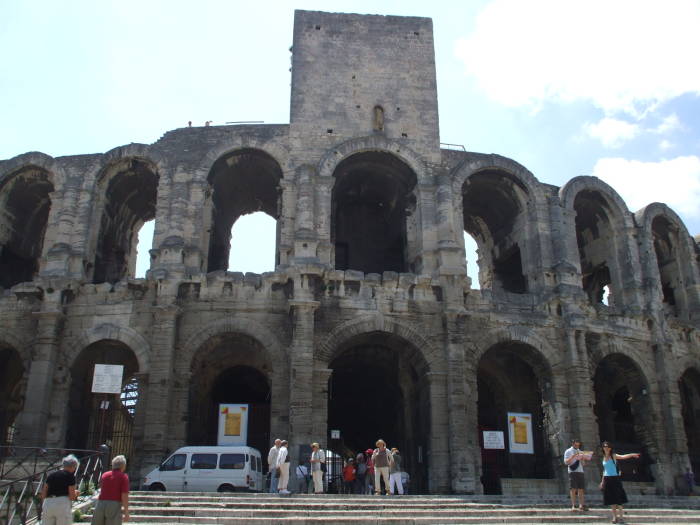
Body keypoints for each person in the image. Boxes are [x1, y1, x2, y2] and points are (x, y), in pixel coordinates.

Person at [599, 441, 640, 524]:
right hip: (607, 479)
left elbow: (623, 457)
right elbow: (605, 470)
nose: (606, 448)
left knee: (618, 499)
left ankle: (621, 517)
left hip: (615, 478)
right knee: (611, 500)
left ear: (610, 448)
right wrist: (602, 481)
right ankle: (615, 517)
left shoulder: (613, 456)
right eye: (604, 446)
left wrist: (632, 455)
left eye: (607, 446)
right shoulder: (603, 457)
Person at [41, 454, 79, 525]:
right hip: (62, 503)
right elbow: (72, 497)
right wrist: (76, 493)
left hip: (48, 503)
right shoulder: (70, 476)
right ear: (73, 466)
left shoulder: (51, 475)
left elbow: (44, 492)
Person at [91, 455, 129, 525]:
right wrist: (126, 511)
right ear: (123, 466)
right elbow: (124, 495)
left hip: (100, 503)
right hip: (114, 504)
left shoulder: (104, 475)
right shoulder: (123, 477)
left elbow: (101, 488)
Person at [563, 438, 588, 511]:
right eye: (576, 444)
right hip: (572, 471)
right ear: (573, 444)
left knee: (581, 489)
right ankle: (573, 505)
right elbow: (566, 462)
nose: (577, 446)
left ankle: (581, 505)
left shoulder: (581, 451)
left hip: (580, 471)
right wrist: (574, 456)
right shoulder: (568, 451)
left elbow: (583, 464)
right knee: (573, 488)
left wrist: (583, 458)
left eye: (578, 445)